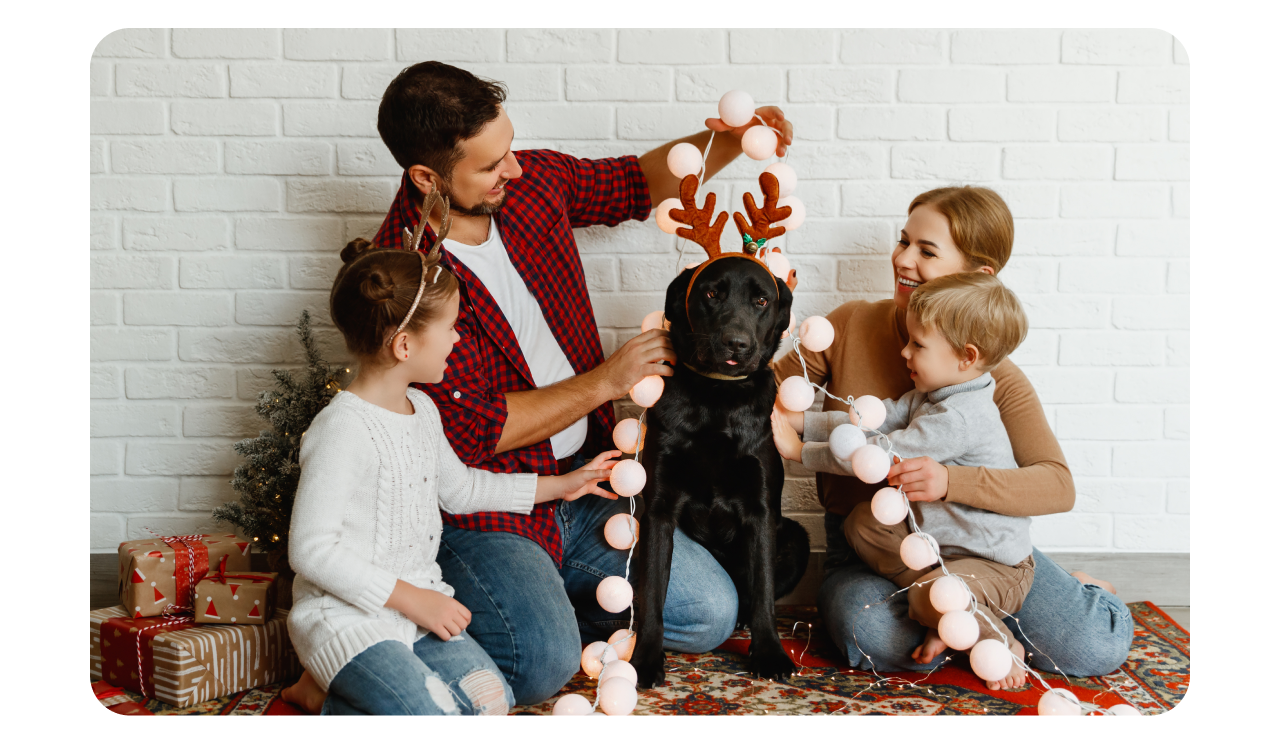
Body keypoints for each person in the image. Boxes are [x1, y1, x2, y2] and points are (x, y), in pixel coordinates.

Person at [368, 61, 796, 703]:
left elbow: (632, 185)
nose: (512, 169)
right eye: (490, 166)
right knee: (544, 662)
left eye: (508, 150)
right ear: (427, 177)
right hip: (494, 511)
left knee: (709, 614)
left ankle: (546, 600)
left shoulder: (532, 182)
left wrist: (735, 139)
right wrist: (607, 381)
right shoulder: (406, 279)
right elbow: (479, 434)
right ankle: (433, 632)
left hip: (589, 486)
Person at [772, 186, 1131, 680]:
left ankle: (1047, 597)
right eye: (904, 241)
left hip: (973, 542)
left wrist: (950, 483)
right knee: (877, 637)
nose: (903, 259)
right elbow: (771, 394)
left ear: (975, 277)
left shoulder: (987, 375)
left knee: (1095, 645)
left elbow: (1056, 484)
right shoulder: (851, 323)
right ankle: (966, 623)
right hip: (873, 546)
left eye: (927, 250)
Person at [282, 240, 622, 714]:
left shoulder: (422, 409)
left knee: (491, 701)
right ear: (404, 345)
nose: (458, 339)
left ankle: (332, 690)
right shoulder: (342, 428)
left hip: (419, 610)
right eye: (450, 328)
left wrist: (559, 486)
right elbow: (310, 550)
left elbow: (461, 488)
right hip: (349, 617)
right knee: (432, 712)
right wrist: (413, 600)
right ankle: (322, 691)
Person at [773, 271, 1036, 690]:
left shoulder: (960, 417)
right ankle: (944, 613)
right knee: (862, 522)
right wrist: (801, 420)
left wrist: (799, 451)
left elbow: (875, 455)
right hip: (938, 553)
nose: (904, 351)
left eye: (918, 345)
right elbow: (860, 420)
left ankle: (996, 642)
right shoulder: (932, 395)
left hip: (992, 565)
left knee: (929, 596)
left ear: (966, 357)